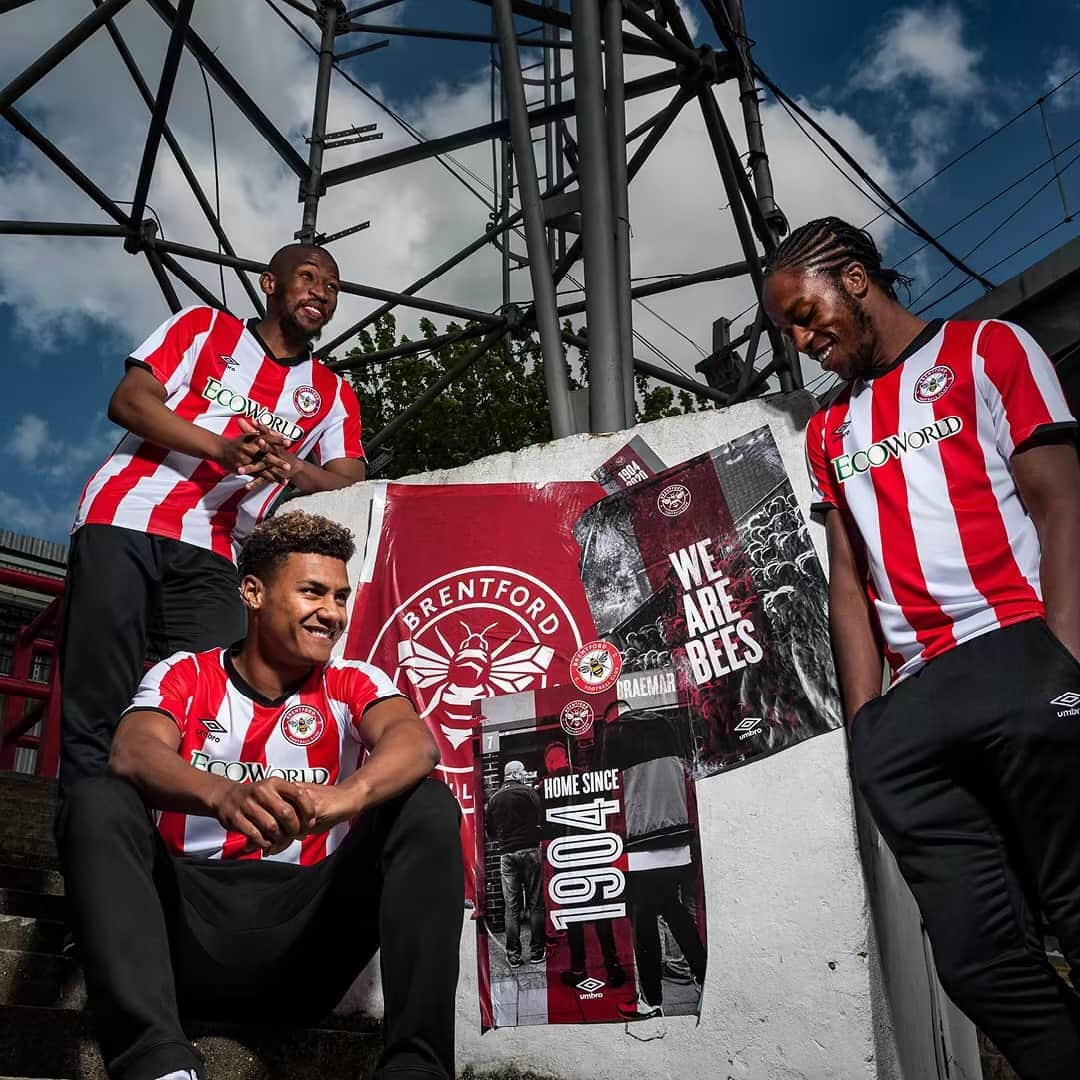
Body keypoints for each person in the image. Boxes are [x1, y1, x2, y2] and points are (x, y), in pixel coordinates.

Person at [763, 216, 1080, 1080]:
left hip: (1022, 655)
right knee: (979, 963)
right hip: (912, 714)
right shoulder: (827, 431)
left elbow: (1060, 505)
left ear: (857, 279)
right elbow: (847, 582)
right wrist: (868, 728)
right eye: (787, 326)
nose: (800, 338)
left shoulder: (990, 350)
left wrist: (1065, 660)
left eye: (805, 311)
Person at [57, 511, 464, 1080]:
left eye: (341, 597)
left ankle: (416, 1070)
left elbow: (413, 743)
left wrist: (343, 799)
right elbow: (133, 751)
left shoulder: (353, 680)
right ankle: (154, 1062)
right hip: (184, 935)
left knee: (426, 804)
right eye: (313, 592)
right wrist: (225, 796)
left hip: (305, 942)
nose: (333, 613)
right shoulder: (186, 674)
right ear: (252, 592)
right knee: (98, 798)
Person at [59, 243, 367, 793]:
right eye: (308, 276)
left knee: (210, 706)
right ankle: (91, 853)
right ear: (270, 284)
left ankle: (175, 857)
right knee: (100, 699)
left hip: (218, 549)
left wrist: (293, 465)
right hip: (124, 517)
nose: (321, 291)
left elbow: (349, 479)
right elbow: (129, 401)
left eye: (333, 286)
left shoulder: (332, 393)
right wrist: (219, 448)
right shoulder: (204, 328)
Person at [600, 708, 706, 1021]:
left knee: (643, 918)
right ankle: (701, 979)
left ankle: (651, 1000)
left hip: (641, 837)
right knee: (672, 908)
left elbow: (609, 787)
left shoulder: (616, 734)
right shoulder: (666, 727)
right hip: (676, 832)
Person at [542, 742, 626, 990]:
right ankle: (612, 967)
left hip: (567, 858)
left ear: (549, 763)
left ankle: (579, 968)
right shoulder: (587, 778)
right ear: (566, 758)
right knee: (601, 913)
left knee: (574, 916)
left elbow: (545, 827)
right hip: (594, 853)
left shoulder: (545, 787)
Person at [485, 760, 546, 967]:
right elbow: (541, 819)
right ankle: (537, 953)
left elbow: (491, 833)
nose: (525, 775)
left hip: (507, 855)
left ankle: (513, 955)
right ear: (516, 774)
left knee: (511, 907)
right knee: (535, 903)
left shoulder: (493, 799)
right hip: (530, 850)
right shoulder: (529, 792)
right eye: (523, 772)